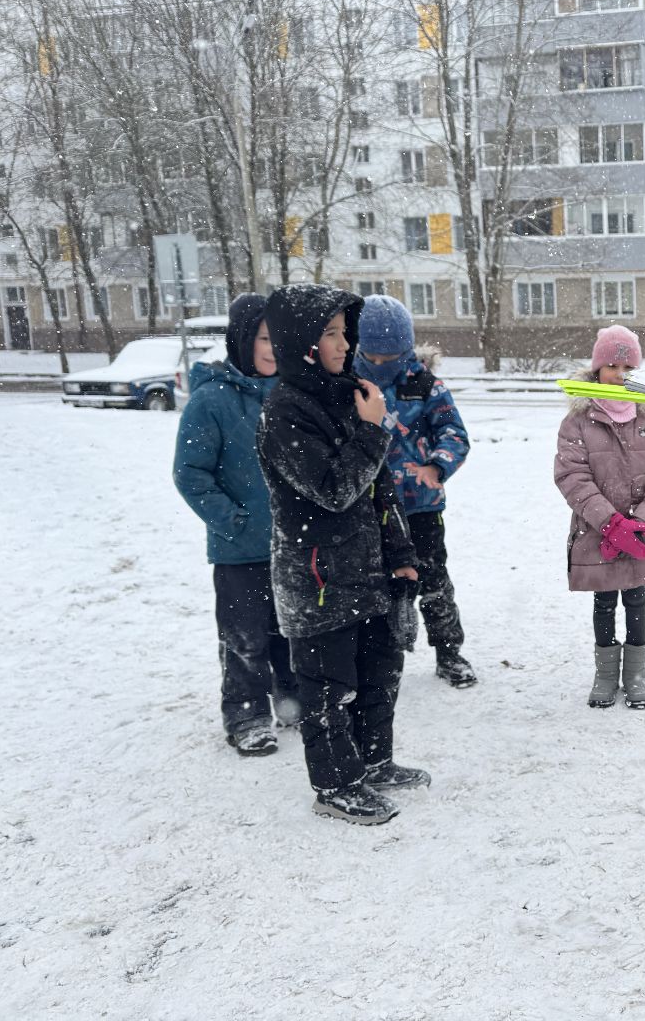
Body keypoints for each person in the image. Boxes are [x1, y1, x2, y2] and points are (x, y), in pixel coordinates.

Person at [257, 284, 428, 826]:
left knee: (380, 671)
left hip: (368, 570)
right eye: (328, 333)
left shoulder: (348, 393)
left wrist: (401, 552)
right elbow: (333, 489)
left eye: (342, 331)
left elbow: (379, 490)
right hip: (318, 577)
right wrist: (373, 431)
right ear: (302, 343)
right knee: (329, 689)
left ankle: (374, 762)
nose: (342, 342)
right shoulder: (287, 411)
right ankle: (335, 786)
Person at [172, 292, 299, 756]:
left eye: (281, 338)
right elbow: (190, 473)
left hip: (294, 542)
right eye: (265, 338)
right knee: (244, 634)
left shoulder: (293, 392)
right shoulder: (211, 401)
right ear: (244, 340)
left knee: (291, 628)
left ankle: (291, 701)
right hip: (239, 547)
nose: (274, 347)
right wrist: (232, 521)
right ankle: (246, 713)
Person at [553, 325, 645, 709]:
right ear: (597, 369)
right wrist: (609, 523)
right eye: (611, 364)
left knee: (636, 599)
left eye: (627, 365)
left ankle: (636, 672)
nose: (619, 373)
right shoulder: (578, 420)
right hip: (597, 532)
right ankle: (606, 672)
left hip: (643, 531)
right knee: (605, 601)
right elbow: (572, 475)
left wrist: (642, 521)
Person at [352, 295, 476, 689]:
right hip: (367, 507)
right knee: (373, 584)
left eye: (391, 356)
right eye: (374, 354)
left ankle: (449, 652)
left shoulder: (424, 385)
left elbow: (454, 433)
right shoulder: (349, 383)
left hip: (420, 506)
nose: (382, 364)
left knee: (434, 579)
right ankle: (376, 655)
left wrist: (437, 465)